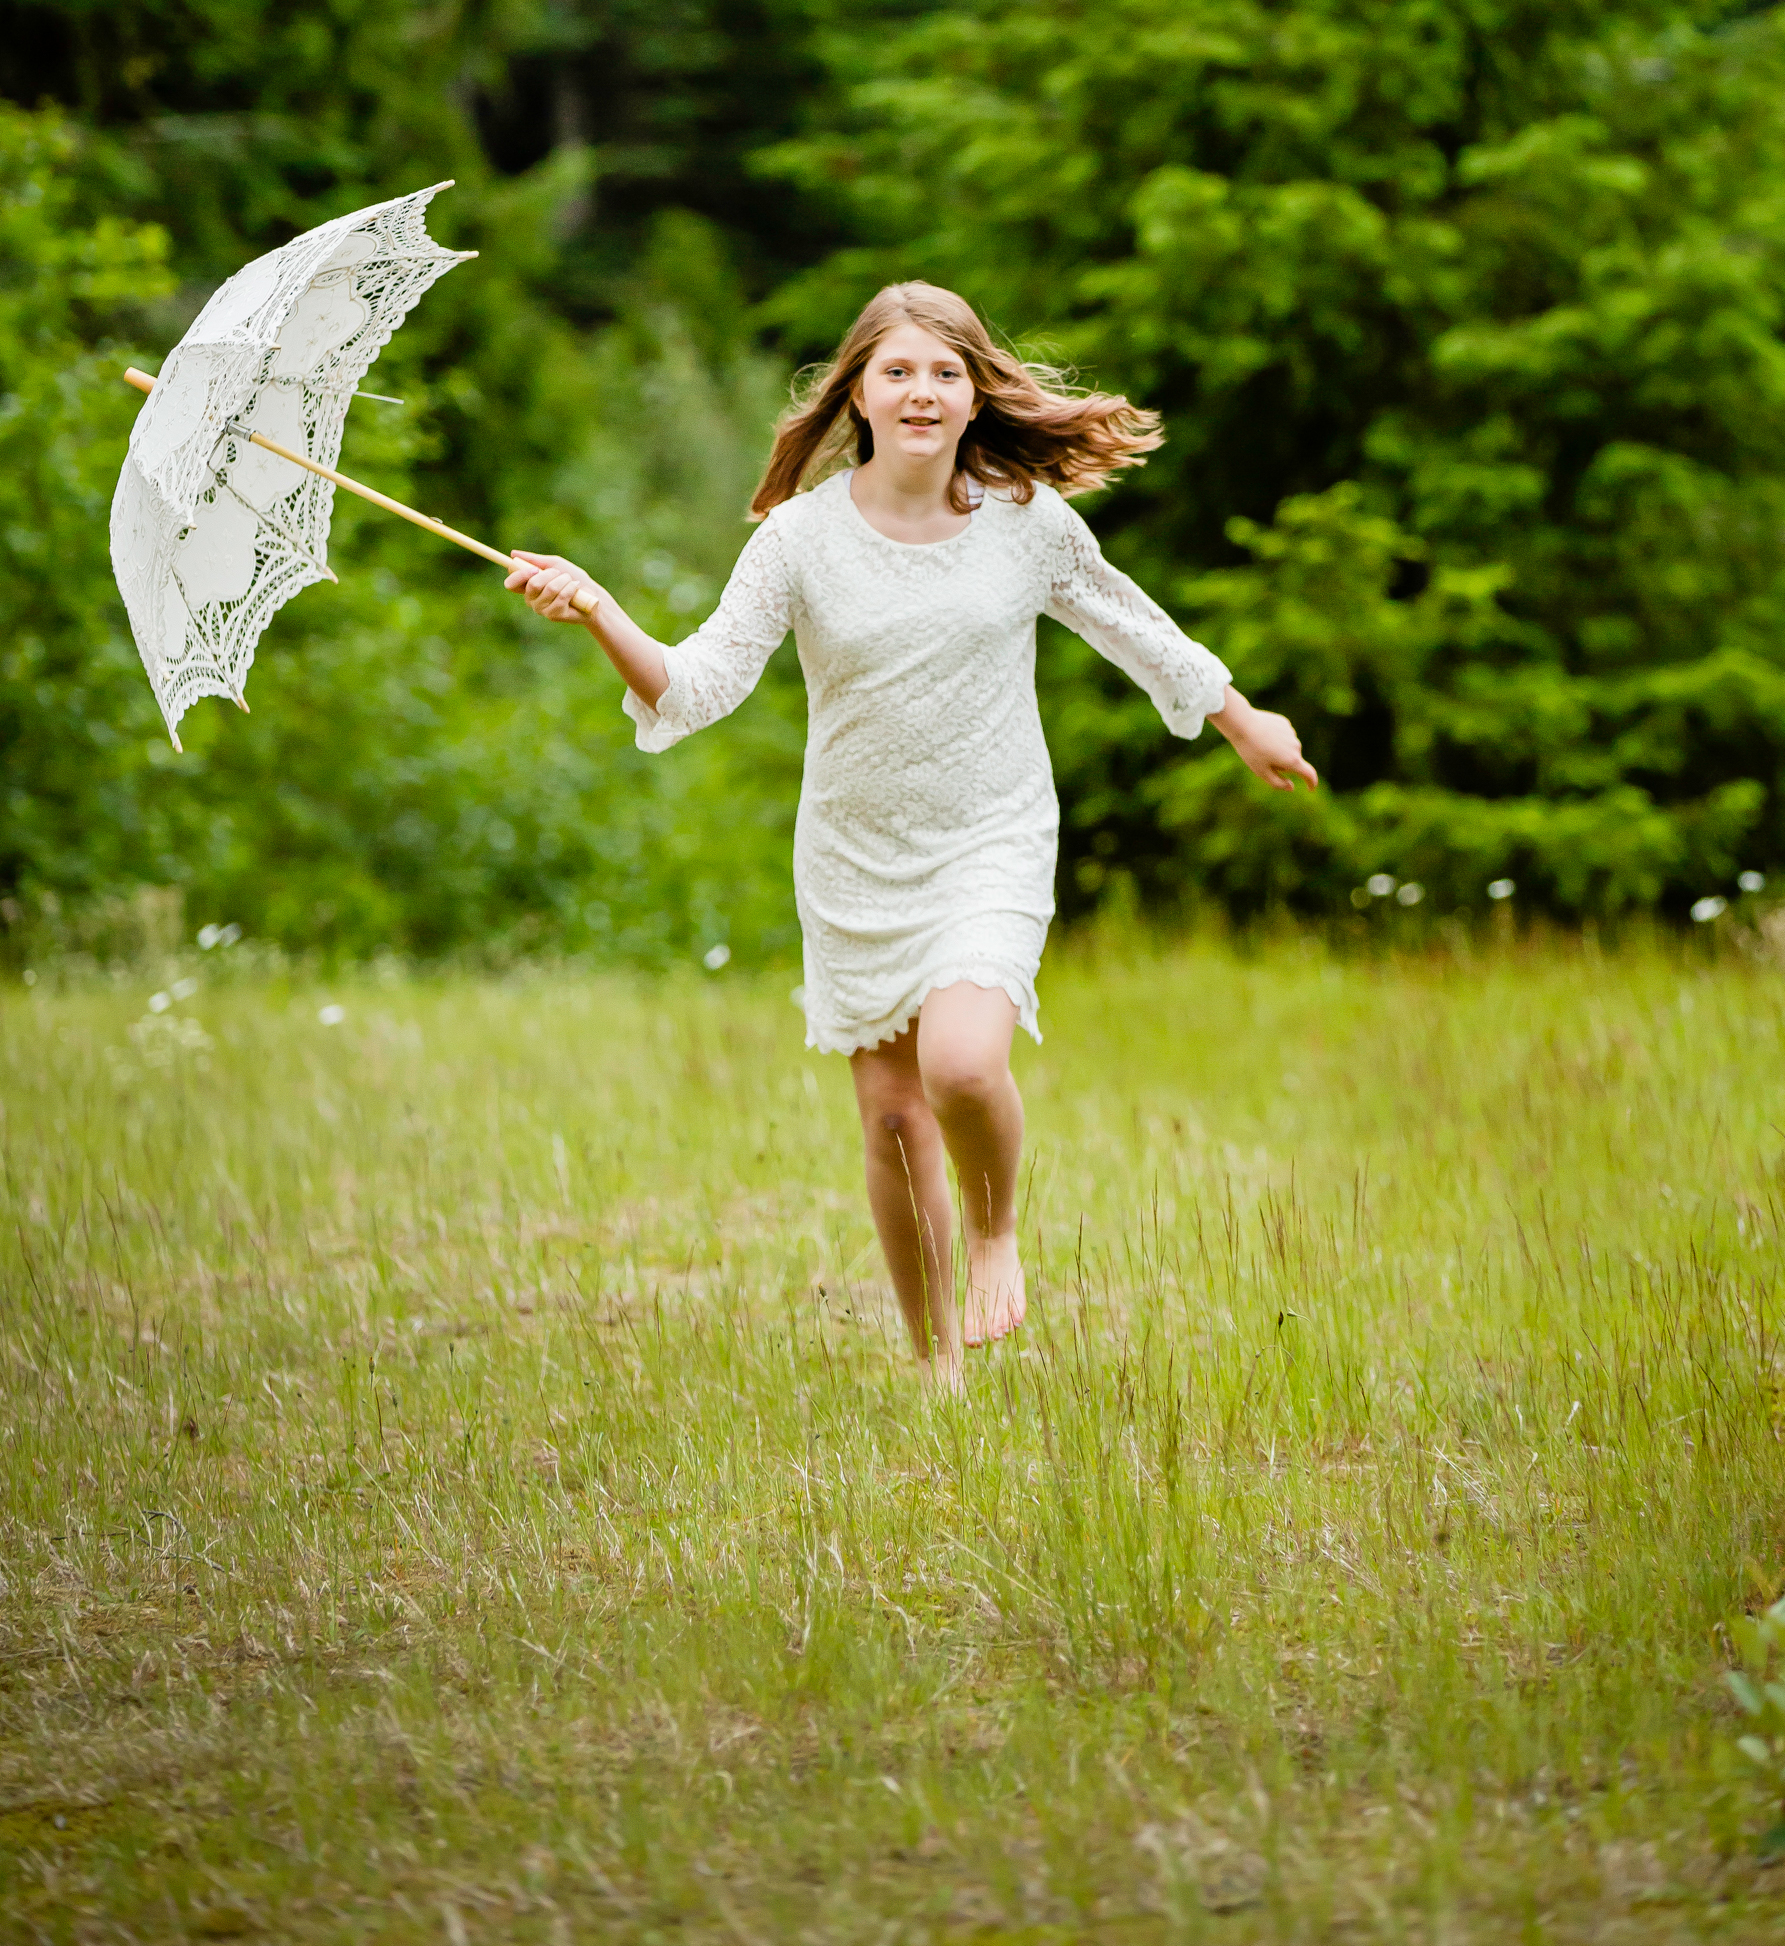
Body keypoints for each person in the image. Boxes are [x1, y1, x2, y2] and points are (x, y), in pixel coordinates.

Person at [506, 282, 1315, 1384]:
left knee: (963, 1067)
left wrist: (1238, 715)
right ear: (858, 397)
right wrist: (599, 608)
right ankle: (935, 1368)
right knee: (891, 1118)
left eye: (943, 371)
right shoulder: (797, 539)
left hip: (990, 833)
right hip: (853, 854)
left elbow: (1133, 624)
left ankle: (994, 1237)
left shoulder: (1025, 522)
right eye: (897, 372)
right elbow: (694, 686)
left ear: (975, 394)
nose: (921, 391)